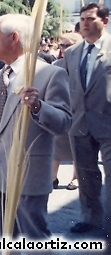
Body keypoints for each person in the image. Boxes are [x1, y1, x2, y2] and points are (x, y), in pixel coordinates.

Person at [0, 14, 71, 240]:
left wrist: (38, 107)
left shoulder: (49, 74)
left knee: (34, 241)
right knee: (0, 241)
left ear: (14, 38)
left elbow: (64, 123)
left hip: (28, 176)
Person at [58, 3, 111, 245]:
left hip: (108, 122)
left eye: (90, 19)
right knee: (87, 175)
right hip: (79, 122)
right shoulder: (71, 53)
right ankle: (90, 217)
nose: (85, 23)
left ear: (105, 21)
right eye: (82, 19)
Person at [51, 32, 83, 191]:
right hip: (61, 109)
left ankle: (76, 178)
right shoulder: (57, 65)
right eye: (61, 45)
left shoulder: (83, 64)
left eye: (67, 45)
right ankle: (52, 177)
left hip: (80, 112)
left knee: (78, 147)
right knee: (56, 145)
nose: (62, 48)